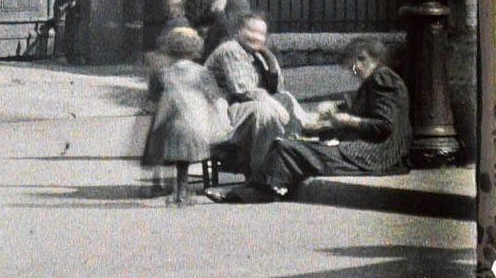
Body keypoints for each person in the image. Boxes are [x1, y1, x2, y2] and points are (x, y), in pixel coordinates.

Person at [256, 38, 412, 198]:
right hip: (365, 150)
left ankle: (265, 190)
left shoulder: (383, 79)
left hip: (377, 155)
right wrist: (331, 117)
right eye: (352, 65)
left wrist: (347, 120)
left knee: (287, 148)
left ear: (371, 59)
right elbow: (367, 112)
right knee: (290, 143)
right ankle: (264, 187)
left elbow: (385, 125)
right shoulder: (373, 80)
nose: (355, 69)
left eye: (358, 62)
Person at [206, 11, 308, 193]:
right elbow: (243, 90)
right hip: (220, 110)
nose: (257, 37)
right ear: (238, 30)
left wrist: (270, 59)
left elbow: (277, 88)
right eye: (251, 31)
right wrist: (275, 105)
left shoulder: (256, 54)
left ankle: (288, 165)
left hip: (239, 107)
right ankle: (261, 177)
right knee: (264, 112)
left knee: (286, 99)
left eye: (262, 33)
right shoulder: (231, 49)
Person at [141, 24, 231, 205]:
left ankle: (164, 184)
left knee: (161, 136)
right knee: (184, 157)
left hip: (169, 128)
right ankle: (182, 189)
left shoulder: (163, 73)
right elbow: (215, 97)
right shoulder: (201, 72)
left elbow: (152, 102)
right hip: (194, 127)